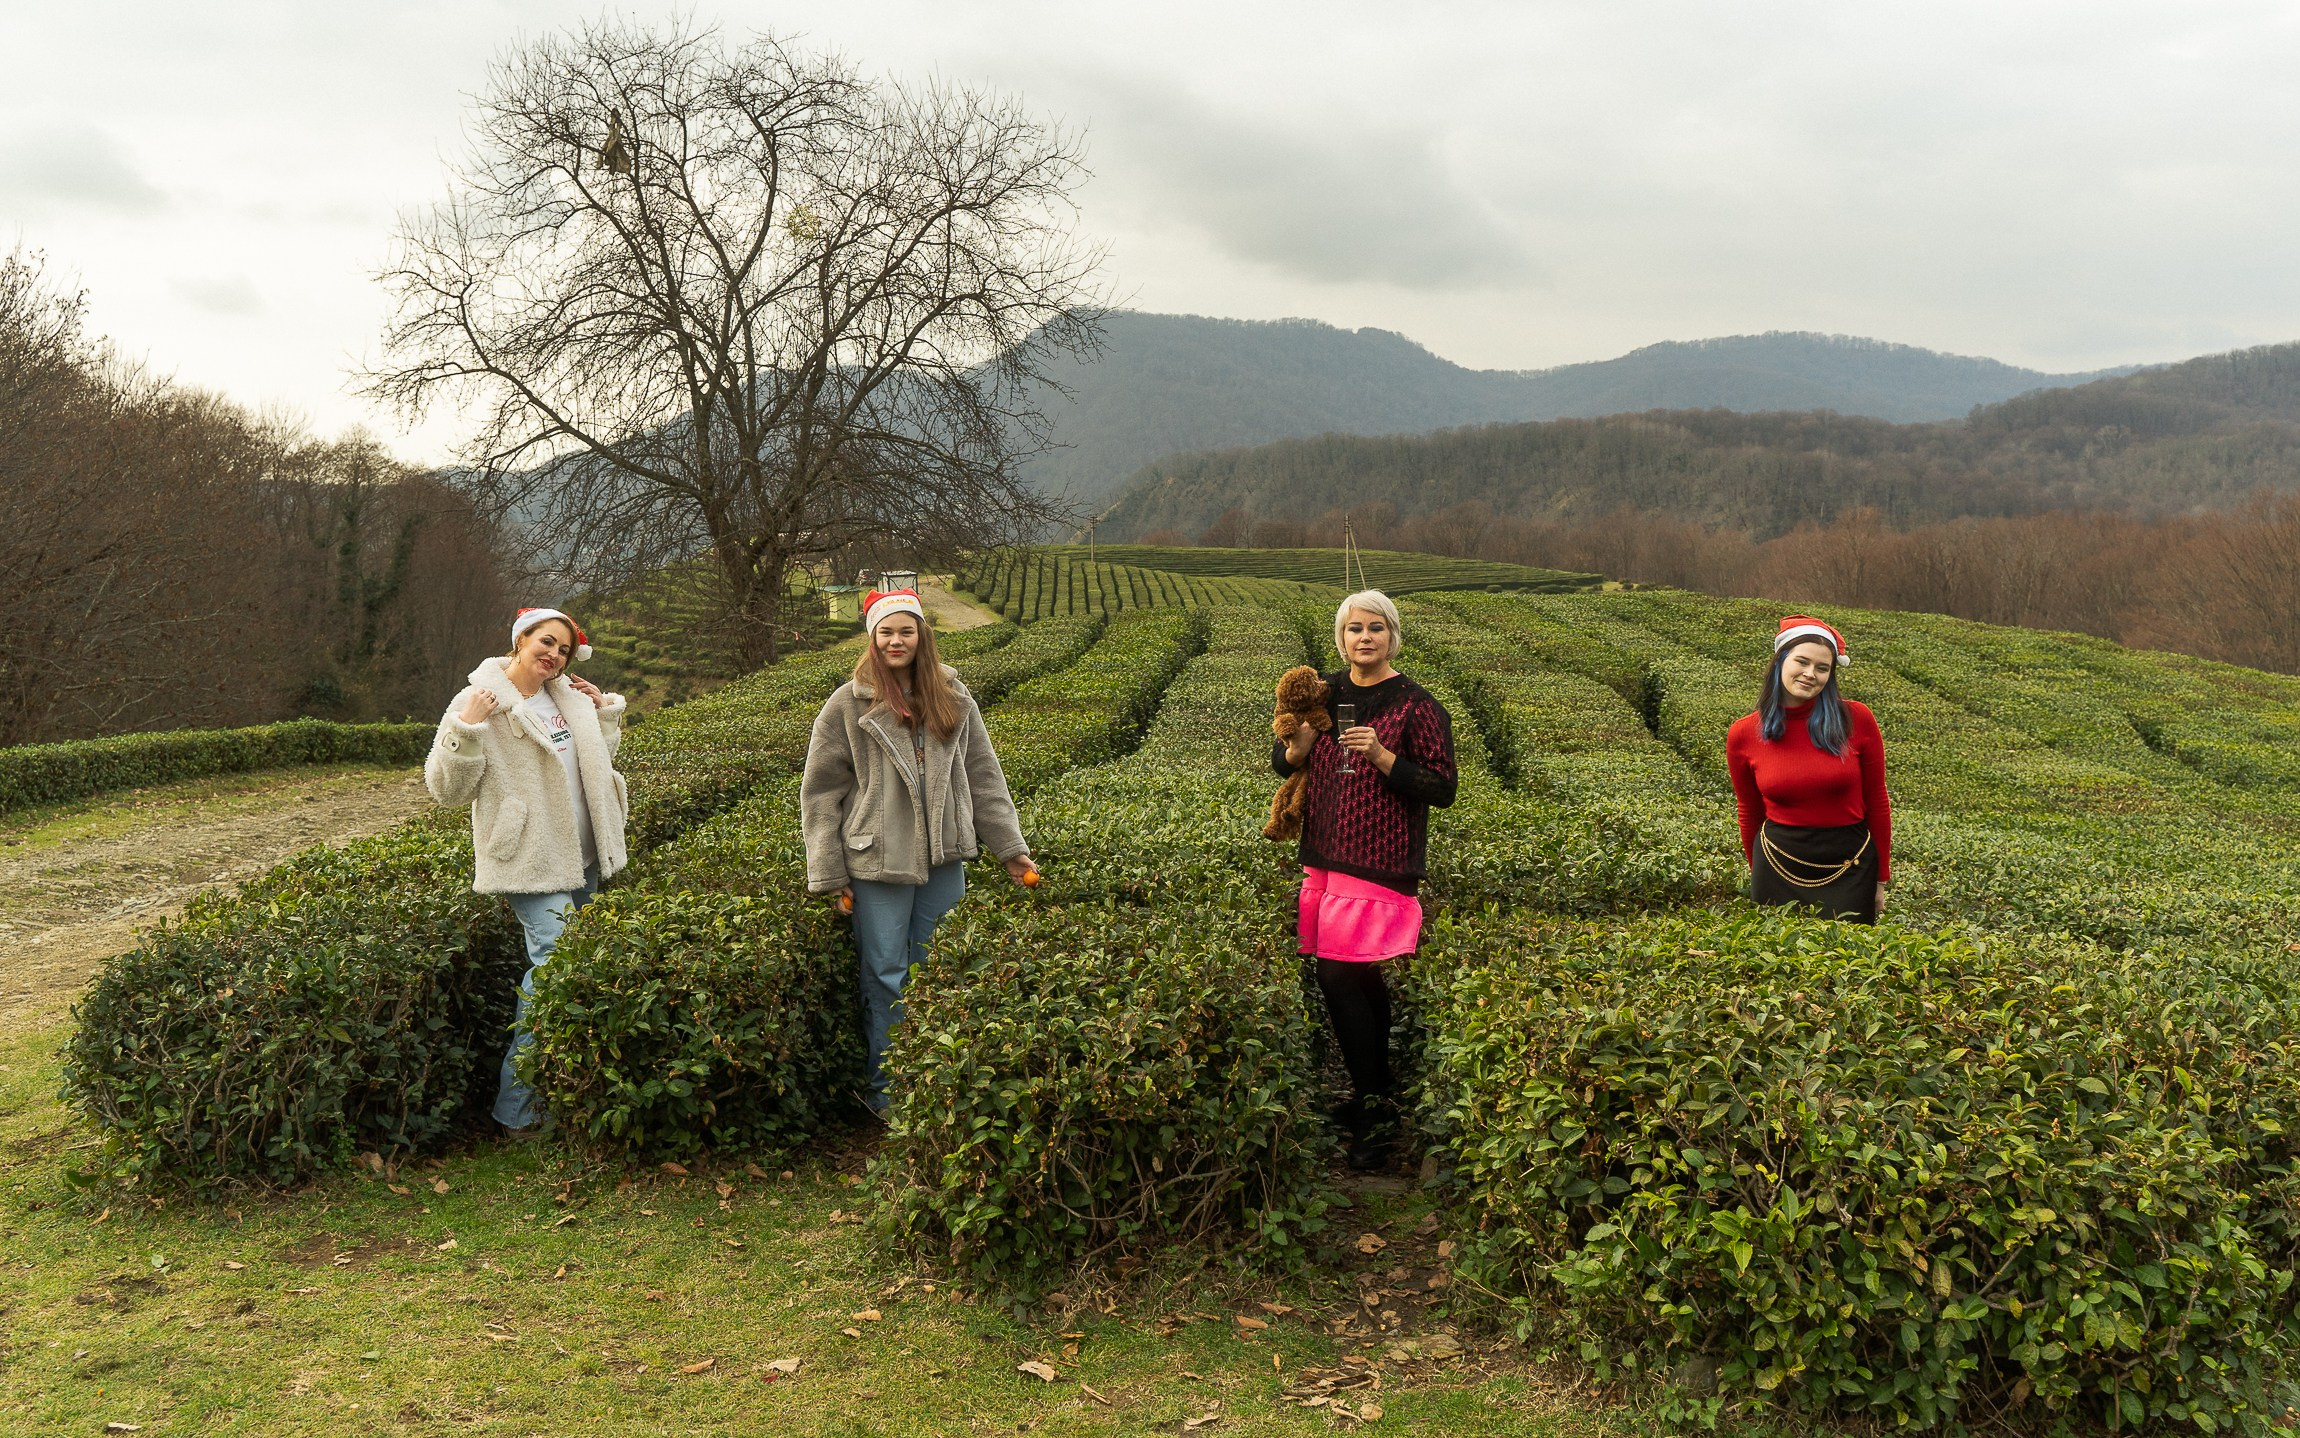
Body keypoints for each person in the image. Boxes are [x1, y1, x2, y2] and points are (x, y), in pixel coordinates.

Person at [801, 588, 1037, 1113]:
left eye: (905, 630)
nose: (896, 640)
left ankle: (938, 1088)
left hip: (944, 856)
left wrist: (1009, 849)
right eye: (886, 632)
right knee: (885, 974)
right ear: (872, 639)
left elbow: (984, 777)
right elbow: (820, 793)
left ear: (922, 635)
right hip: (876, 861)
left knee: (941, 968)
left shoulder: (953, 696)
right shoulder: (846, 703)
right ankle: (886, 1095)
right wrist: (830, 871)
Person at [425, 607, 630, 1137]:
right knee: (554, 970)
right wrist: (466, 726)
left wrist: (602, 712)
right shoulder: (481, 701)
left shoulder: (566, 698)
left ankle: (562, 1095)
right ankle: (518, 1112)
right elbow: (447, 792)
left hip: (581, 855)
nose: (554, 655)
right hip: (530, 858)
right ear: (519, 641)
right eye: (545, 642)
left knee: (572, 973)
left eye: (563, 649)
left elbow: (595, 762)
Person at [1273, 590, 1458, 1170]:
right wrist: (1294, 752)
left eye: (1376, 628)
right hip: (1327, 857)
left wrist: (1382, 756)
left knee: (1338, 975)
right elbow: (1284, 762)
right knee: (1350, 978)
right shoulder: (1324, 695)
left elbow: (1442, 788)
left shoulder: (1416, 706)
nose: (1365, 638)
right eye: (1355, 629)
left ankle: (1374, 1111)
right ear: (1341, 637)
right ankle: (1377, 1093)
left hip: (1381, 861)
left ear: (1393, 637)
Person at [1726, 615, 1891, 924]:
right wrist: (1756, 871)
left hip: (1850, 864)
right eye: (1801, 662)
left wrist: (1881, 878)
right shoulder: (1743, 733)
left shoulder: (1856, 719)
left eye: (1822, 668)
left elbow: (1877, 799)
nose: (1810, 674)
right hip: (1777, 864)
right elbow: (1749, 810)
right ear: (1780, 661)